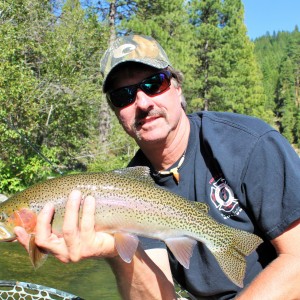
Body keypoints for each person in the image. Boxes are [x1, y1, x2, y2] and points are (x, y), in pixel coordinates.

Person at [15, 35, 300, 300]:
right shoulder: (130, 189)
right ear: (116, 112)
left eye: (153, 84)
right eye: (123, 96)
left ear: (177, 87)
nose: (142, 102)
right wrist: (113, 250)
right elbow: (161, 296)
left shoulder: (249, 144)